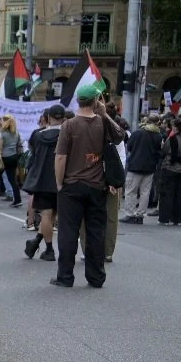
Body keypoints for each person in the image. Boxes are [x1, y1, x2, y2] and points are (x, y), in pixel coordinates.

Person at [52, 84, 123, 288]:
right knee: (95, 232)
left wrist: (59, 183)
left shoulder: (69, 125)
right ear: (95, 101)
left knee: (68, 232)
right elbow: (119, 136)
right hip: (96, 185)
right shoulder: (102, 123)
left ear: (78, 101)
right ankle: (96, 277)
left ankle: (65, 276)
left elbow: (60, 158)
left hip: (71, 185)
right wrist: (105, 114)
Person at [23, 105, 65, 262]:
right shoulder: (67, 134)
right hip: (62, 179)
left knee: (46, 215)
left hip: (43, 179)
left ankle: (49, 249)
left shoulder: (38, 136)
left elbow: (33, 153)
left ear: (48, 118)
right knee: (54, 214)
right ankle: (37, 241)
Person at [121, 113, 163, 223]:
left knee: (131, 191)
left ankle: (130, 214)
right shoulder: (158, 135)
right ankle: (140, 215)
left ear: (147, 121)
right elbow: (159, 152)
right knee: (145, 192)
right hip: (150, 167)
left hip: (135, 165)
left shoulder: (138, 133)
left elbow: (129, 146)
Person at [159, 117, 181, 226]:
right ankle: (178, 219)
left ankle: (165, 218)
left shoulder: (172, 139)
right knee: (180, 195)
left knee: (167, 193)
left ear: (176, 127)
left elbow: (164, 151)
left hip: (170, 168)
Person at [0, 115, 24, 206]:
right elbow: (19, 145)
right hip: (14, 157)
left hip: (4, 157)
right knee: (13, 179)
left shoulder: (1, 133)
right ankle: (18, 199)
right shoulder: (16, 133)